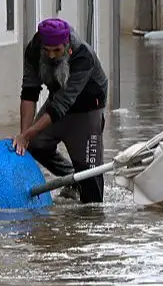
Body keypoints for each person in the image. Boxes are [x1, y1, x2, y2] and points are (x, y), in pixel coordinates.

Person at [11, 18, 109, 203]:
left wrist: (28, 133)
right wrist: (24, 136)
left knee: (90, 176)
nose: (52, 56)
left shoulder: (82, 56)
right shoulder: (33, 51)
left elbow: (62, 105)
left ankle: (92, 213)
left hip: (87, 108)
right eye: (46, 51)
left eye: (57, 50)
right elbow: (29, 91)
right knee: (36, 145)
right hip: (57, 100)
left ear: (67, 46)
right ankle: (71, 178)